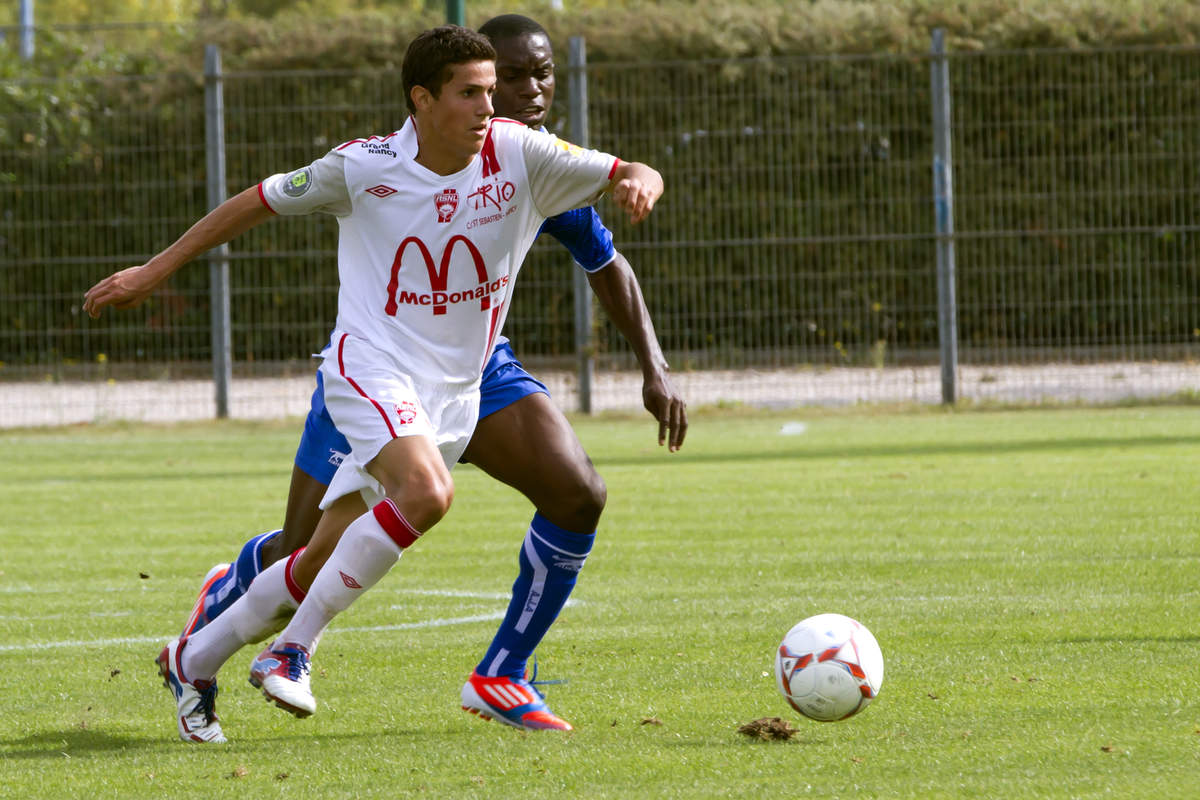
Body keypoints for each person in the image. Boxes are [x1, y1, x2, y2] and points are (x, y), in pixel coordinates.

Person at [83, 24, 666, 744]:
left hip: (456, 389)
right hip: (371, 368)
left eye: (495, 90)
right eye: (473, 92)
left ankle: (193, 658)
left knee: (320, 553)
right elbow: (256, 201)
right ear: (422, 99)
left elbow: (625, 175)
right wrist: (152, 270)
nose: (493, 106)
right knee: (424, 495)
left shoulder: (521, 153)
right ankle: (293, 650)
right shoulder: (363, 167)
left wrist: (640, 177)